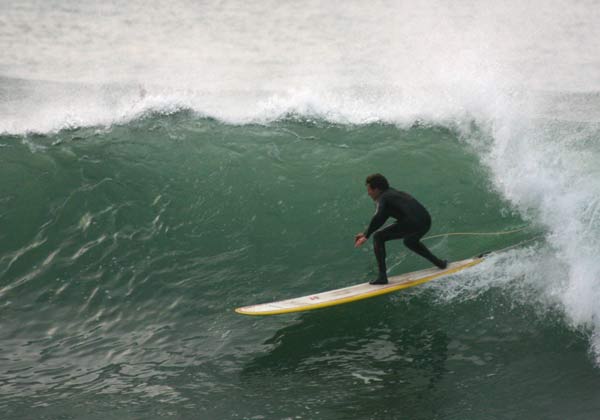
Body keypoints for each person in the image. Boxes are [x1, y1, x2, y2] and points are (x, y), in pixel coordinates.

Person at [354, 173, 448, 284]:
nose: (368, 193)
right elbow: (383, 217)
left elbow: (378, 216)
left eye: (369, 190)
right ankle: (440, 263)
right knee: (409, 241)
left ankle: (382, 277)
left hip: (412, 222)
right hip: (425, 221)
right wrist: (366, 233)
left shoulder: (383, 197)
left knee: (378, 237)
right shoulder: (392, 194)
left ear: (377, 189)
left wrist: (366, 235)